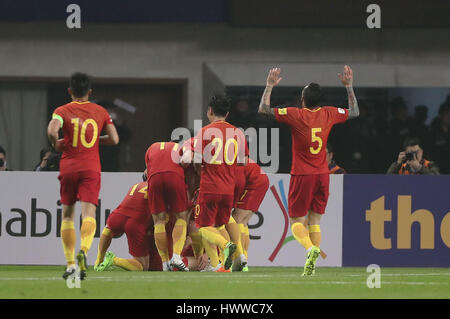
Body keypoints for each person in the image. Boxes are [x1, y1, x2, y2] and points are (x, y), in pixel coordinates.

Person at [258, 66, 359, 276]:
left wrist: (269, 86)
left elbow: (263, 110)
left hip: (303, 175)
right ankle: (311, 265)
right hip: (323, 175)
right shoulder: (329, 113)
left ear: (302, 99)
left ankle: (310, 249)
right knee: (315, 220)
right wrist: (349, 87)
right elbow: (355, 112)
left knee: (296, 220)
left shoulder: (296, 115)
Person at [47, 72, 119, 280]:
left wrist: (56, 143)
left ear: (70, 91)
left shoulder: (62, 110)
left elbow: (53, 130)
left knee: (68, 214)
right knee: (89, 213)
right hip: (90, 167)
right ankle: (84, 251)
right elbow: (114, 139)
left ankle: (70, 264)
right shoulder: (101, 111)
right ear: (90, 91)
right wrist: (97, 139)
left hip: (69, 166)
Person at [192, 94, 249, 272]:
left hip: (210, 186)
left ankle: (225, 246)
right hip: (228, 188)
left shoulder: (205, 131)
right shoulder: (237, 133)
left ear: (210, 111)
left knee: (202, 226)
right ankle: (218, 265)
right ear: (227, 113)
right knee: (218, 225)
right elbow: (244, 161)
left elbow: (196, 160)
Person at [145, 141, 189, 271]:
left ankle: (164, 263)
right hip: (174, 176)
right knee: (181, 217)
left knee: (158, 221)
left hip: (154, 178)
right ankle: (176, 256)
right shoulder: (179, 147)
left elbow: (147, 170)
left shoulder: (151, 147)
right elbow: (185, 162)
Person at [94, 179, 150, 272]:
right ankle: (115, 260)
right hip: (135, 221)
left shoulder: (136, 184)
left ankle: (98, 260)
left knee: (108, 229)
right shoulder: (156, 188)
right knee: (142, 266)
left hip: (118, 215)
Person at [232, 158, 269, 271]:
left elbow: (239, 182)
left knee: (236, 219)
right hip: (260, 180)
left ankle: (240, 257)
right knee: (242, 221)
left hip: (254, 182)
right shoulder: (232, 156)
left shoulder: (230, 161)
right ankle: (244, 260)